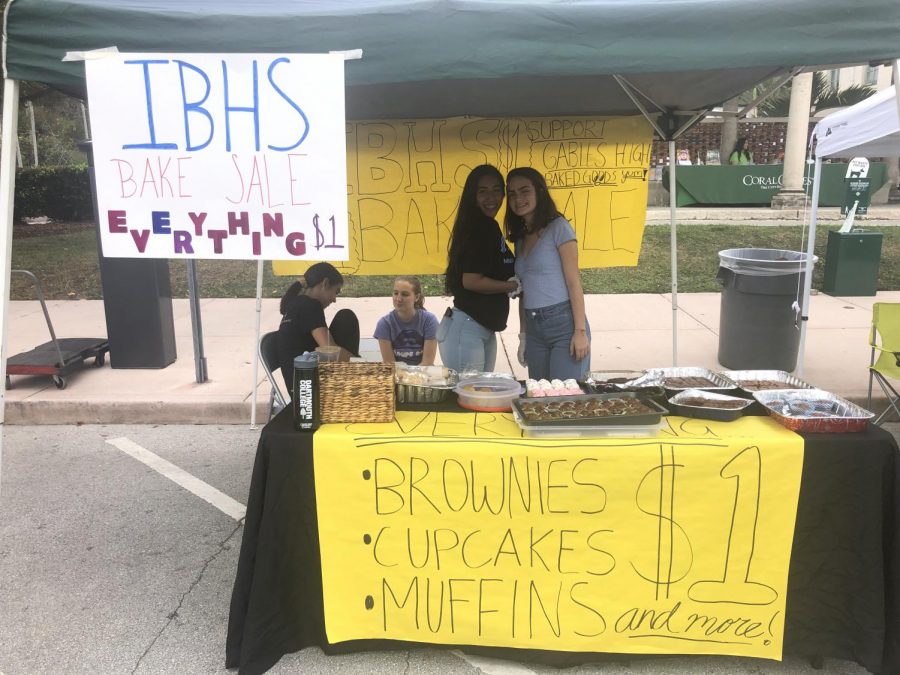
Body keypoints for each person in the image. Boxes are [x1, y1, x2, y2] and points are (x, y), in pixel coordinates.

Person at [505, 167, 590, 380]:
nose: (518, 199)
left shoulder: (559, 227)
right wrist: (523, 335)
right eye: (512, 194)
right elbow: (524, 291)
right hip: (534, 330)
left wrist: (579, 332)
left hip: (564, 324)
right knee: (539, 398)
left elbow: (574, 282)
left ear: (539, 192)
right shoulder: (521, 238)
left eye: (525, 191)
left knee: (563, 398)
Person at [438, 164, 518, 372]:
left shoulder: (487, 226)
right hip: (467, 326)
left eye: (496, 190)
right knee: (471, 396)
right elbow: (471, 280)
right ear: (472, 195)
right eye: (483, 192)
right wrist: (509, 286)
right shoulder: (480, 227)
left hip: (482, 328)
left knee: (481, 396)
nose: (491, 198)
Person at [276, 262, 360, 394]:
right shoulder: (310, 306)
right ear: (325, 283)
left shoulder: (296, 305)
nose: (334, 299)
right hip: (309, 393)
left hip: (300, 388)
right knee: (346, 317)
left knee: (345, 319)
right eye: (335, 292)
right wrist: (363, 365)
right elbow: (328, 349)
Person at [374, 276, 438, 366]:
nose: (398, 299)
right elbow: (390, 365)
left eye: (405, 294)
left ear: (417, 297)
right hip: (397, 376)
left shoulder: (429, 321)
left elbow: (427, 363)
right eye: (396, 293)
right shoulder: (384, 324)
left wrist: (412, 377)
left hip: (424, 375)